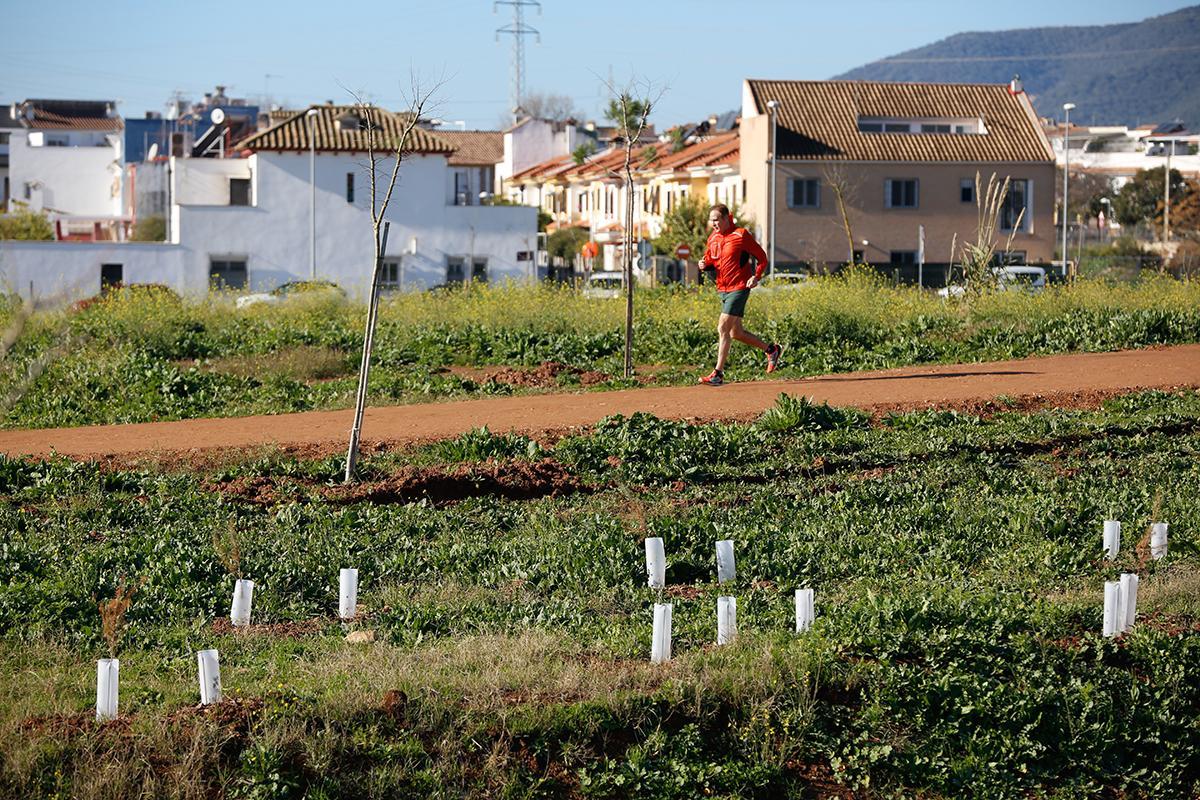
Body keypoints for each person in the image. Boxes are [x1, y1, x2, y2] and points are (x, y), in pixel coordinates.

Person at [695, 204, 782, 386]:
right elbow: (710, 259)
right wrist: (703, 264)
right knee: (736, 333)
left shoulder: (741, 235)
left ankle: (718, 374)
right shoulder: (713, 238)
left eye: (717, 219)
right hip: (723, 289)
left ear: (728, 218)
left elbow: (762, 257)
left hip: (740, 287)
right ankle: (771, 349)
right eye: (712, 220)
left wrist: (756, 277)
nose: (714, 223)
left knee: (723, 328)